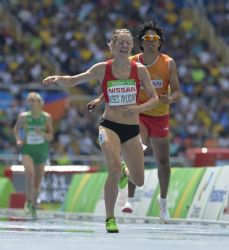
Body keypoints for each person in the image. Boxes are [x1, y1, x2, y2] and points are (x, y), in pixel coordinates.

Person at [43, 28, 159, 233]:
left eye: (127, 43)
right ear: (112, 46)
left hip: (132, 129)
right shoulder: (101, 68)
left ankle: (125, 170)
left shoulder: (140, 69)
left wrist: (138, 108)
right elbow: (73, 80)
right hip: (109, 125)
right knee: (113, 168)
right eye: (120, 42)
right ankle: (110, 218)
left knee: (139, 181)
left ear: (132, 46)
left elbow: (154, 98)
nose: (124, 46)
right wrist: (57, 78)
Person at [87, 21, 181, 223]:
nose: (150, 42)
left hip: (159, 113)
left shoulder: (168, 63)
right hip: (136, 114)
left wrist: (170, 99)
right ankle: (129, 199)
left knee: (163, 160)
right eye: (146, 38)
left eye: (154, 39)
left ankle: (162, 202)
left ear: (159, 42)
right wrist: (100, 99)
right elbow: (114, 84)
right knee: (139, 147)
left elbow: (178, 91)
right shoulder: (130, 61)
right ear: (139, 43)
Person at [13, 92, 53, 217]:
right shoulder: (24, 116)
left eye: (33, 100)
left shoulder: (46, 117)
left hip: (41, 152)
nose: (30, 102)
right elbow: (15, 129)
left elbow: (50, 136)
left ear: (39, 103)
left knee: (37, 182)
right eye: (28, 100)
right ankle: (28, 201)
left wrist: (41, 133)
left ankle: (35, 204)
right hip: (27, 150)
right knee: (30, 174)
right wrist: (18, 139)